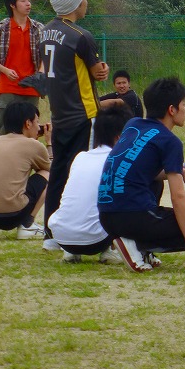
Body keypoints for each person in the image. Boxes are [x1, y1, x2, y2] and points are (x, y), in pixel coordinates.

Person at [97, 77, 185, 273]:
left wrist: (182, 170)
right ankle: (137, 245)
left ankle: (134, 241)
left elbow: (137, 166)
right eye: (183, 104)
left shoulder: (133, 124)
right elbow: (178, 197)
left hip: (107, 216)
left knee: (155, 180)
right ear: (171, 109)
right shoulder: (170, 141)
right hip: (131, 216)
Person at [40, 0, 110, 250]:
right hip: (84, 113)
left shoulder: (44, 32)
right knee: (85, 172)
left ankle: (50, 234)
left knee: (58, 171)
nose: (86, 2)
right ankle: (86, 230)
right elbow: (96, 72)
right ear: (74, 2)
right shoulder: (81, 36)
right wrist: (102, 70)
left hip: (59, 114)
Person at [48, 104, 132, 264]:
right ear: (119, 137)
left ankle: (70, 253)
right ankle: (110, 251)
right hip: (96, 240)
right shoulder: (118, 158)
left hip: (62, 236)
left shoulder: (80, 157)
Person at [0, 101, 50, 240]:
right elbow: (51, 168)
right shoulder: (32, 145)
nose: (39, 127)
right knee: (48, 174)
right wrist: (49, 143)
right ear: (28, 123)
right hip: (12, 215)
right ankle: (27, 225)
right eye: (37, 122)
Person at [0, 0, 45, 135]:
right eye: (23, 0)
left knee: (31, 131)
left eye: (29, 0)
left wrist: (39, 74)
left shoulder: (39, 29)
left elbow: (45, 57)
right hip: (7, 87)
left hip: (31, 88)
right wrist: (5, 70)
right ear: (12, 5)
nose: (28, 4)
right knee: (4, 130)